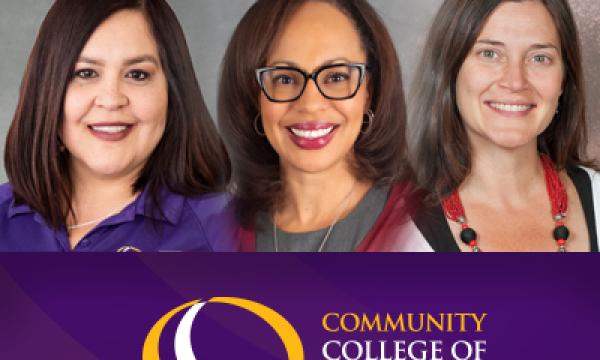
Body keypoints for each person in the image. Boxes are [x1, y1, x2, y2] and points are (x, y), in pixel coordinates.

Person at [0, 0, 234, 251]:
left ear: (173, 93)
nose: (111, 100)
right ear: (46, 89)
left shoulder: (226, 230)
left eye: (137, 74)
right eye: (86, 73)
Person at [219, 0, 427, 252]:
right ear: (254, 96)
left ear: (369, 92)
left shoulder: (428, 224)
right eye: (285, 78)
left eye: (336, 77)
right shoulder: (214, 233)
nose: (310, 104)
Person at [408, 0, 600, 252]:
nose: (515, 81)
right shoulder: (392, 231)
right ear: (450, 70)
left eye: (539, 58)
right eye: (490, 54)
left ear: (564, 80)